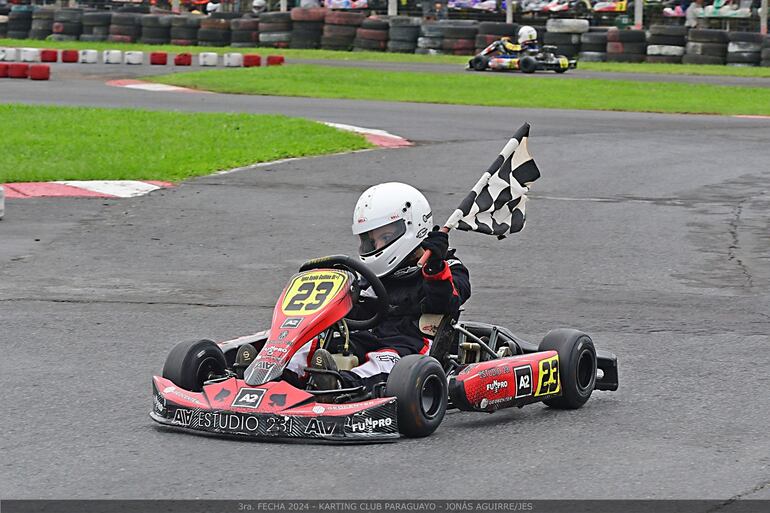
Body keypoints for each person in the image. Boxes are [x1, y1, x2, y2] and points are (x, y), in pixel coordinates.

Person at [285, 182, 471, 394]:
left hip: (412, 346)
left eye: (385, 238)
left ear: (411, 227)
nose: (377, 247)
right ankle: (281, 374)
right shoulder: (374, 276)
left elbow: (446, 300)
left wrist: (435, 267)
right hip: (368, 337)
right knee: (316, 344)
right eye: (371, 240)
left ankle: (339, 385)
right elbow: (356, 313)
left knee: (384, 361)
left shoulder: (448, 268)